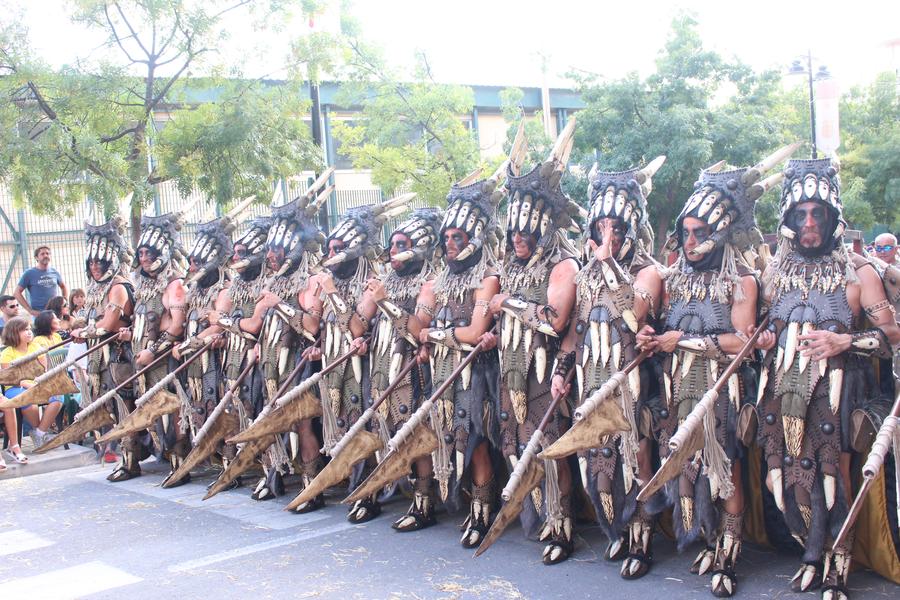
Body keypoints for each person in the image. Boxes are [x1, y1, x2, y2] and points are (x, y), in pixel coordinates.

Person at [637, 145, 796, 597]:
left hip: (721, 393)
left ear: (720, 232)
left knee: (722, 472)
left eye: (698, 232)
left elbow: (742, 342)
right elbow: (652, 323)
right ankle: (706, 538)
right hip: (675, 391)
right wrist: (652, 336)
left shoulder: (742, 280)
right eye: (685, 232)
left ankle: (728, 550)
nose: (689, 241)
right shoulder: (671, 278)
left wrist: (680, 341)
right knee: (686, 471)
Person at [756, 157, 900, 600]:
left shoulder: (860, 272)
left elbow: (893, 334)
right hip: (782, 391)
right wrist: (762, 339)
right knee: (786, 471)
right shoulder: (774, 272)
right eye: (801, 215)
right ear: (788, 221)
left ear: (834, 217)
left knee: (834, 472)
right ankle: (810, 549)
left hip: (838, 392)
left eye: (818, 213)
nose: (809, 223)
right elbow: (767, 327)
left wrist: (845, 343)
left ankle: (837, 559)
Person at [551, 157, 666, 576]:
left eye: (617, 229)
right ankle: (616, 528)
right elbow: (574, 333)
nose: (610, 236)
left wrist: (607, 262)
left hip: (630, 384)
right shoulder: (584, 276)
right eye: (602, 228)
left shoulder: (649, 273)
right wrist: (562, 371)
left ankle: (642, 535)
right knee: (597, 461)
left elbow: (632, 318)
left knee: (636, 456)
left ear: (632, 230)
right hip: (590, 379)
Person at [348, 206, 442, 524]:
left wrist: (385, 301)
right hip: (381, 367)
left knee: (415, 435)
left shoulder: (429, 283)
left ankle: (424, 501)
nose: (394, 251)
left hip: (411, 372)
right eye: (392, 245)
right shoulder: (382, 282)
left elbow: (419, 332)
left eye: (402, 245)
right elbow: (358, 326)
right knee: (378, 432)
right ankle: (373, 493)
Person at [110, 211, 187, 482]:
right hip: (140, 357)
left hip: (162, 359)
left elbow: (176, 326)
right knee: (150, 410)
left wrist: (153, 351)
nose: (143, 259)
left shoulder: (174, 283)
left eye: (148, 254)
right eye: (140, 254)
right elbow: (140, 317)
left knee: (169, 409)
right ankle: (147, 459)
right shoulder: (142, 282)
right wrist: (129, 331)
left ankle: (180, 466)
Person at [0, 316, 61, 449]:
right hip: (14, 388)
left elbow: (44, 370)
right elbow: (11, 378)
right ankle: (39, 434)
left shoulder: (36, 347)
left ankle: (39, 432)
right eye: (23, 330)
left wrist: (39, 384)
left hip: (37, 384)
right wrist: (29, 384)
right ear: (13, 333)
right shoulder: (7, 353)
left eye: (29, 329)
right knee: (29, 401)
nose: (28, 332)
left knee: (57, 397)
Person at [15, 246, 69, 315]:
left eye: (47, 253)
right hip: (39, 314)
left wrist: (64, 303)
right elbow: (16, 293)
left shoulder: (54, 272)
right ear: (36, 257)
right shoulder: (29, 273)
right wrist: (30, 310)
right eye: (42, 254)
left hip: (55, 313)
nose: (46, 255)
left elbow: (63, 287)